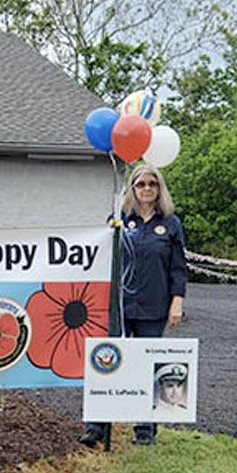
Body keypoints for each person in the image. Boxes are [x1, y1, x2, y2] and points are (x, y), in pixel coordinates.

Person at [80, 162, 188, 447]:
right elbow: (100, 256)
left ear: (159, 188)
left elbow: (178, 268)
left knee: (147, 364)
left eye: (152, 184)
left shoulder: (171, 223)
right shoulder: (118, 219)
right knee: (107, 360)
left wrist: (177, 301)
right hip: (118, 304)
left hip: (154, 305)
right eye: (141, 184)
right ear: (132, 188)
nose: (147, 189)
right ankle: (96, 425)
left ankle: (145, 426)